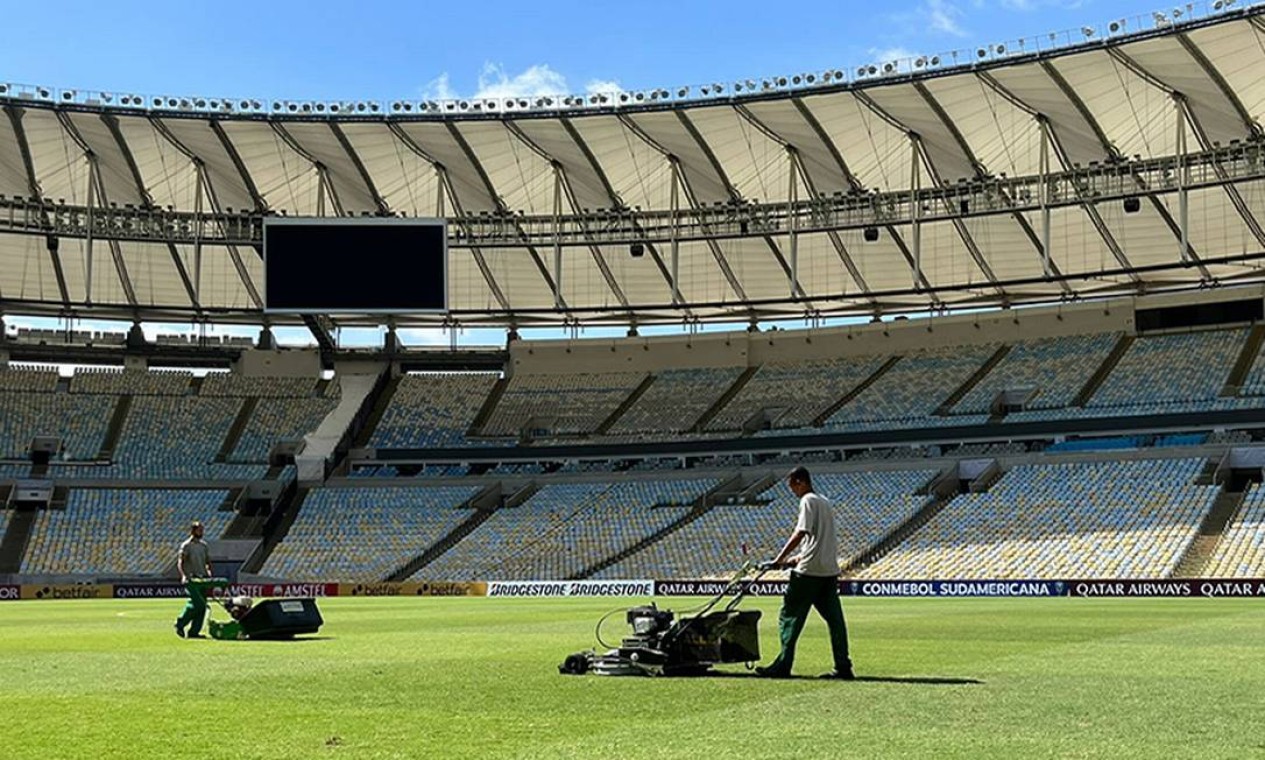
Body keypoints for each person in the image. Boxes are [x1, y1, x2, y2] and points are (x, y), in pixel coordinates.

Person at [756, 466, 854, 679]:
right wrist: (791, 561)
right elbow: (817, 542)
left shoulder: (807, 501)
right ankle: (843, 666)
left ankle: (783, 665)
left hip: (808, 574)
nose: (793, 491)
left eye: (793, 486)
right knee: (835, 621)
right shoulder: (826, 502)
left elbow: (801, 532)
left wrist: (779, 559)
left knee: (789, 618)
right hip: (828, 572)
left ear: (800, 482)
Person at [174, 521, 213, 639]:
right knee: (199, 604)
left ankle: (194, 632)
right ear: (193, 531)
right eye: (199, 530)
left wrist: (210, 573)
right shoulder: (186, 545)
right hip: (191, 579)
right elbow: (180, 562)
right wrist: (183, 575)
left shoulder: (204, 546)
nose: (201, 532)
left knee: (201, 607)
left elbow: (208, 562)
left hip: (203, 579)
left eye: (202, 530)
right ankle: (180, 623)